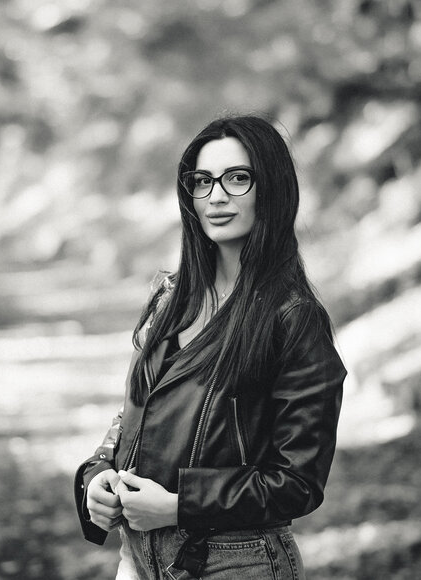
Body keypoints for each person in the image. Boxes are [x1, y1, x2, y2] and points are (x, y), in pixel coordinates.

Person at [73, 114, 346, 579]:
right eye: (202, 181)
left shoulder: (292, 318)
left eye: (237, 178)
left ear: (272, 189)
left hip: (235, 561)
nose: (216, 196)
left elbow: (298, 481)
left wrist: (180, 505)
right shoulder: (171, 299)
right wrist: (97, 475)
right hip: (137, 559)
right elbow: (134, 417)